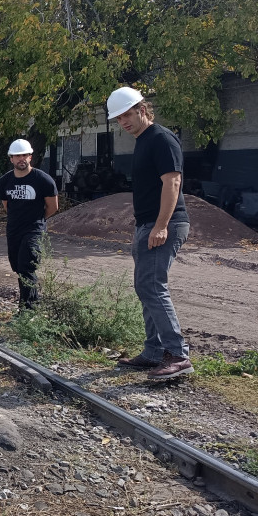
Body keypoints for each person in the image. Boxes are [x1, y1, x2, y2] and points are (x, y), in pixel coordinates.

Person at [107, 86, 194, 380]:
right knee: (145, 287)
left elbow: (173, 182)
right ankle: (154, 352)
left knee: (152, 287)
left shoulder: (161, 139)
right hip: (147, 223)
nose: (123, 122)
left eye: (127, 115)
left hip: (164, 224)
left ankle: (178, 355)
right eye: (118, 119)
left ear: (142, 110)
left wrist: (160, 225)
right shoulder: (143, 141)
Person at [0, 139, 58, 311]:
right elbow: (6, 205)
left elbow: (53, 207)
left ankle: (27, 310)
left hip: (34, 230)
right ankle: (33, 304)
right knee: (18, 267)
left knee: (26, 266)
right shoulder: (5, 181)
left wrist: (36, 220)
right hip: (14, 229)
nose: (21, 159)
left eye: (24, 155)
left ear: (30, 157)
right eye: (17, 156)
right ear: (11, 159)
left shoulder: (43, 180)